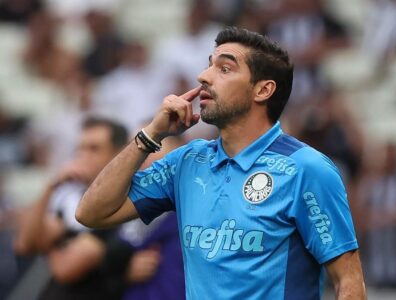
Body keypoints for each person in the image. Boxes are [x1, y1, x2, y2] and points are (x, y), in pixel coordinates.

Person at [76, 27, 366, 299]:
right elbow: (92, 213)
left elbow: (348, 281)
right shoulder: (186, 163)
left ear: (262, 90)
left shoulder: (305, 169)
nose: (203, 76)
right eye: (209, 65)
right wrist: (151, 134)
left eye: (224, 68)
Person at [13, 117, 137, 300]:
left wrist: (50, 244)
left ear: (119, 153)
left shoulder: (127, 201)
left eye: (93, 149)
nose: (83, 156)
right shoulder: (72, 198)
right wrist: (51, 187)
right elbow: (25, 244)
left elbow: (66, 269)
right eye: (80, 148)